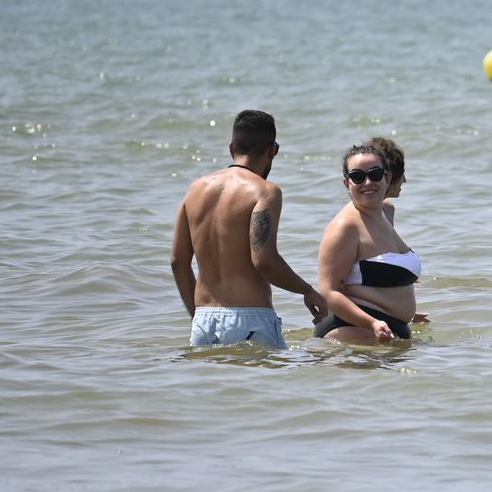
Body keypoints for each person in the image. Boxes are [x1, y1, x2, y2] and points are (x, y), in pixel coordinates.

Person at [171, 109, 326, 347]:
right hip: (251, 320)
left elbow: (178, 262)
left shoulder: (195, 189)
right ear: (273, 150)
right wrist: (307, 291)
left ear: (231, 147)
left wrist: (199, 316)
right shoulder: (265, 191)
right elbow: (263, 260)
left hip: (203, 320)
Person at [314, 143, 421, 344]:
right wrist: (372, 322)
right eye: (358, 176)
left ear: (387, 177)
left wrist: (407, 312)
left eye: (375, 174)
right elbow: (329, 292)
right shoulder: (345, 227)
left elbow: (379, 281)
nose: (368, 182)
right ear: (347, 183)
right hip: (354, 329)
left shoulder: (384, 212)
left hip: (386, 330)